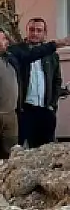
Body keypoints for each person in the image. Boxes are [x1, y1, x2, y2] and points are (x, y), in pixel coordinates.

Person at [0, 25, 70, 170]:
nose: (7, 41)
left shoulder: (11, 57)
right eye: (3, 39)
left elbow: (34, 53)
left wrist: (57, 44)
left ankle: (4, 190)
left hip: (11, 116)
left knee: (10, 159)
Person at [16, 17, 63, 148]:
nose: (35, 33)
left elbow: (57, 81)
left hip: (45, 108)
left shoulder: (52, 55)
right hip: (25, 109)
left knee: (45, 151)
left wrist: (52, 104)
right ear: (26, 31)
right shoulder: (18, 52)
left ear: (44, 33)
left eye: (39, 30)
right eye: (31, 30)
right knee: (22, 151)